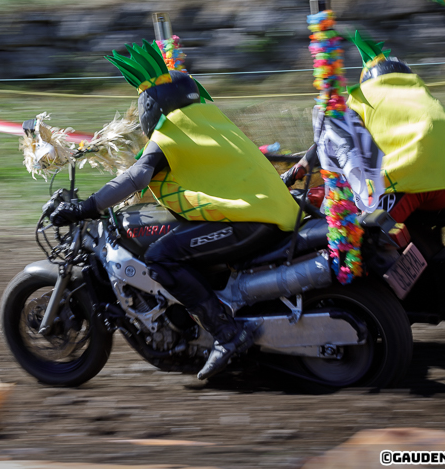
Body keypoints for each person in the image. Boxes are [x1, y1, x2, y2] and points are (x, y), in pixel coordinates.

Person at [51, 40, 300, 380]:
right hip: (271, 213)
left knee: (162, 256)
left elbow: (136, 176)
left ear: (151, 106)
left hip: (249, 219)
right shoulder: (211, 122)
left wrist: (87, 206)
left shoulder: (173, 131)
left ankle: (228, 334)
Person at [286, 32, 445, 224]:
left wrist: (293, 173)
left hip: (411, 181)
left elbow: (334, 136)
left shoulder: (367, 95)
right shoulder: (421, 95)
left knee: (373, 236)